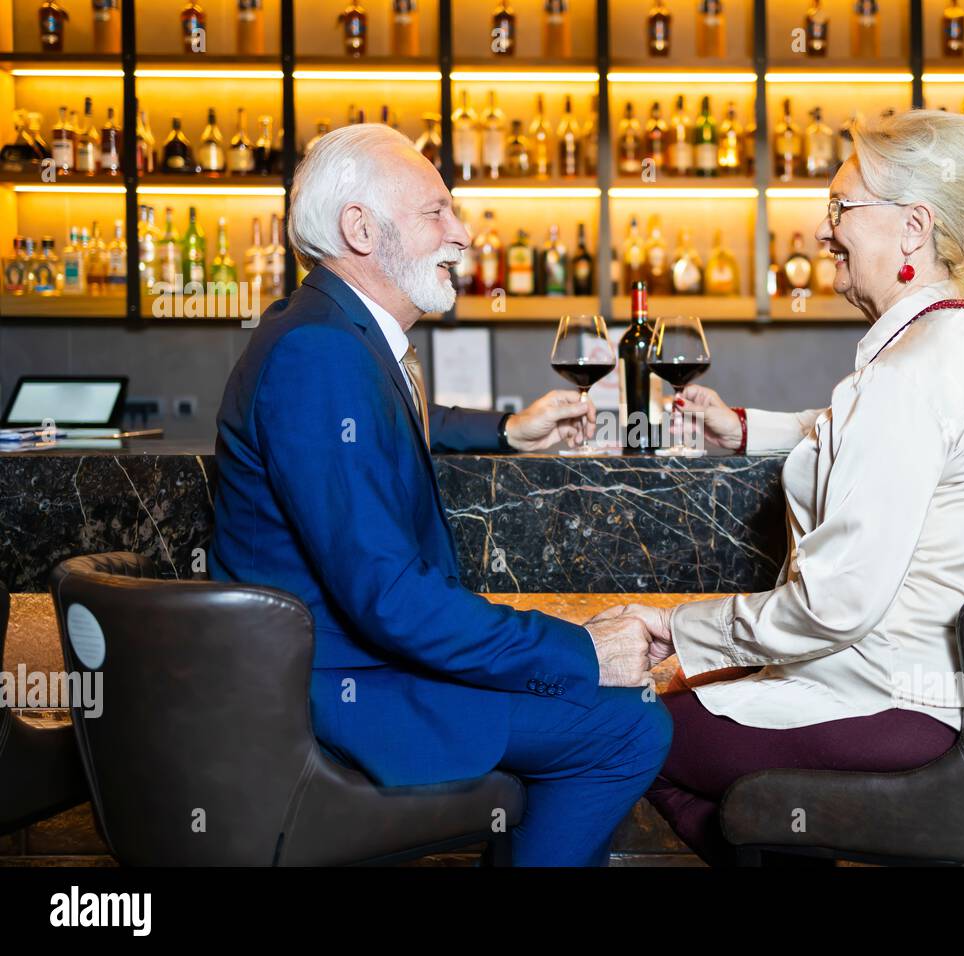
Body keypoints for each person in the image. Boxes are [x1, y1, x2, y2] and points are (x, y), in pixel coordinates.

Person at [210, 123, 670, 867]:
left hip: (348, 669)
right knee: (630, 726)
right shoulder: (322, 355)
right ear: (360, 228)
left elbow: (396, 419)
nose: (463, 235)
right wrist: (581, 649)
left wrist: (506, 429)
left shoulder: (335, 334)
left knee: (603, 713)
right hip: (341, 691)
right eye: (437, 212)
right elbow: (386, 597)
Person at [614, 109, 964, 865]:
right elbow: (860, 432)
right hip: (940, 696)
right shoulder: (949, 343)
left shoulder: (908, 374)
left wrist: (678, 630)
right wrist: (746, 428)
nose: (823, 230)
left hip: (894, 707)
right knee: (753, 808)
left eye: (841, 208)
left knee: (618, 727)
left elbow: (834, 605)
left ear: (913, 228)